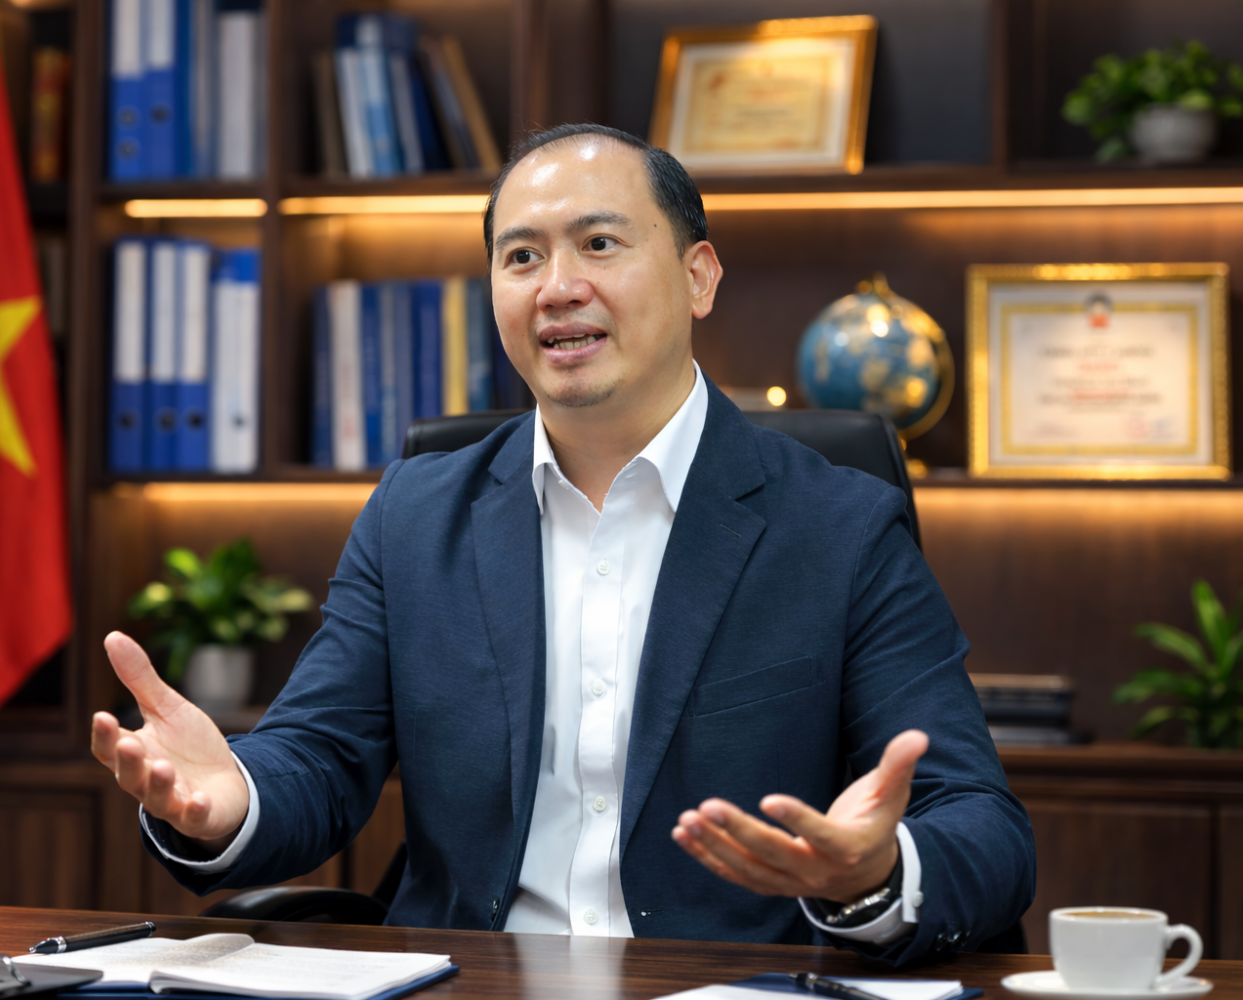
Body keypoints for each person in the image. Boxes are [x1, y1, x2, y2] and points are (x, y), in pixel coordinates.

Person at [91, 124, 1035, 961]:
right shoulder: (415, 514)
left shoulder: (841, 527)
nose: (558, 288)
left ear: (699, 277)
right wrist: (232, 799)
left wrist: (875, 874)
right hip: (471, 984)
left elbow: (980, 822)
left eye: (599, 244)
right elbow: (320, 756)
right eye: (521, 257)